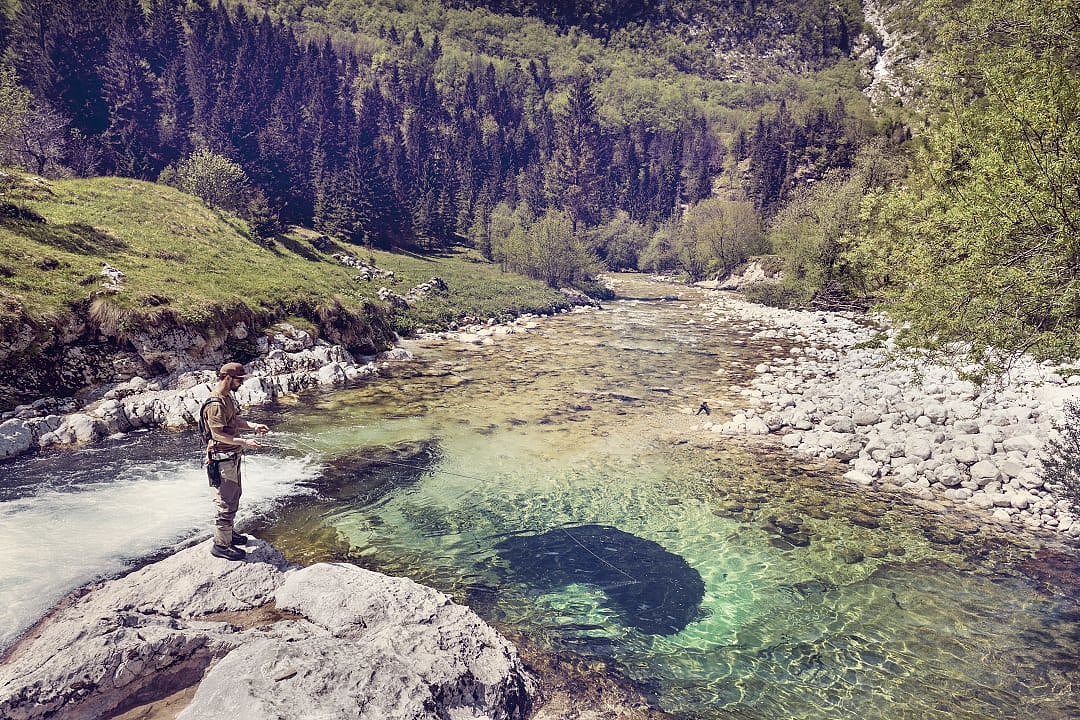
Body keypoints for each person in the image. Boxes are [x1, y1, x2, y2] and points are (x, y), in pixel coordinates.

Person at [203, 362, 269, 560]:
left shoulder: (226, 398)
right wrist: (245, 442)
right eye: (239, 379)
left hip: (232, 456)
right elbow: (218, 434)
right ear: (228, 378)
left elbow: (234, 421)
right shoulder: (215, 404)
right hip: (221, 459)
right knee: (225, 503)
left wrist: (254, 426)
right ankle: (221, 546)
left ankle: (229, 535)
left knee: (234, 496)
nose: (241, 383)